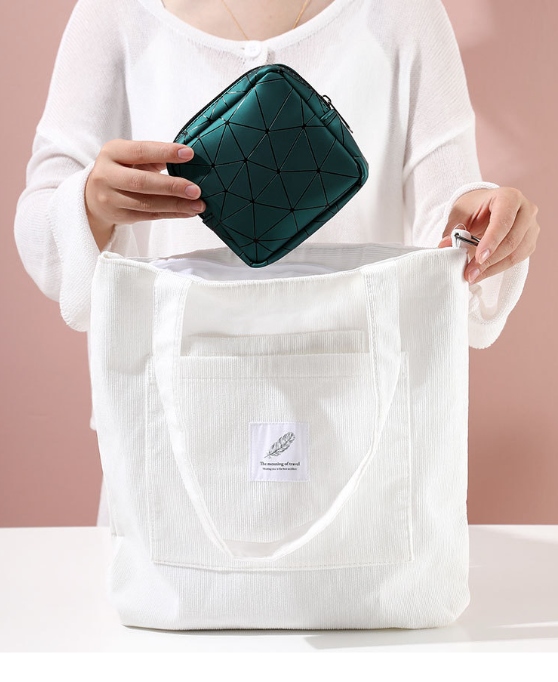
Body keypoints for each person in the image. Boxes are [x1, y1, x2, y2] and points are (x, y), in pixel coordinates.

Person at [13, 0, 540, 526]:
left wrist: (485, 226)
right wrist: (89, 202)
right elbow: (43, 228)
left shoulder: (403, 12)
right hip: (174, 429)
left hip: (355, 424)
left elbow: (450, 214)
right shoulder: (116, 13)